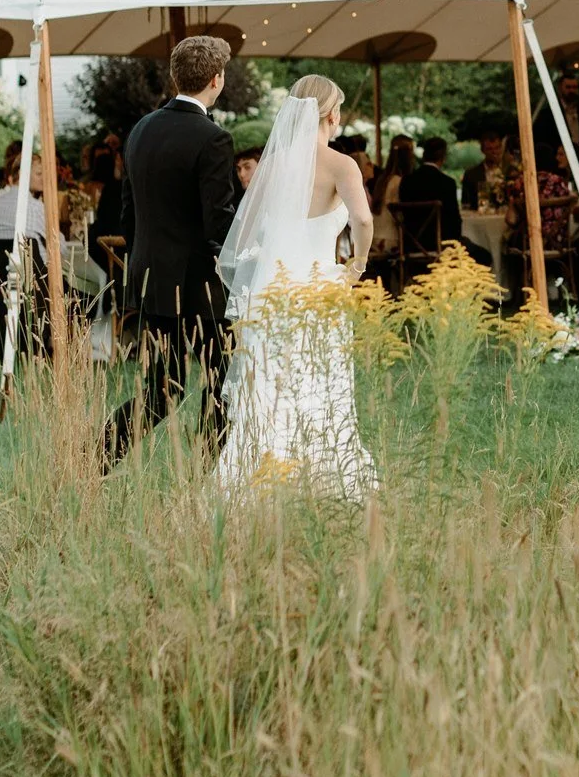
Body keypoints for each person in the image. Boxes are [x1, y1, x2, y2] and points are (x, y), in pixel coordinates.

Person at [217, 73, 376, 495]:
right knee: (321, 380)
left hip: (272, 289)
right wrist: (357, 266)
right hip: (319, 288)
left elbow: (247, 228)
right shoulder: (343, 165)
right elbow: (362, 219)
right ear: (333, 114)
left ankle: (258, 476)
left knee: (269, 386)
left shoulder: (273, 166)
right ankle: (323, 478)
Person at [103, 36, 237, 468]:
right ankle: (207, 473)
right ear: (216, 80)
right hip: (198, 286)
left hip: (149, 281)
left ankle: (97, 456)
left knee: (167, 387)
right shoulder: (212, 138)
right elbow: (218, 222)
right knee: (224, 380)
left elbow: (129, 213)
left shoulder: (140, 129)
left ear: (175, 76)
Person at [0, 152, 108, 299]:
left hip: (4, 282)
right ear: (23, 174)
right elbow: (59, 247)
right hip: (41, 284)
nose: (44, 178)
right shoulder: (34, 206)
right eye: (39, 174)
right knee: (96, 287)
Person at [398, 136, 464, 243]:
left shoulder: (406, 181)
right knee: (484, 255)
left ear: (424, 155)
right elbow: (455, 222)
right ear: (443, 157)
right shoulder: (447, 183)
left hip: (411, 244)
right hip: (441, 244)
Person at [370, 134, 416, 254]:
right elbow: (400, 216)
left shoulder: (382, 180)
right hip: (392, 240)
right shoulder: (400, 182)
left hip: (374, 237)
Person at [462, 127, 508, 212]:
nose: (494, 152)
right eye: (490, 149)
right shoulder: (471, 174)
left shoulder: (508, 171)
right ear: (483, 150)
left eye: (497, 148)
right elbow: (466, 205)